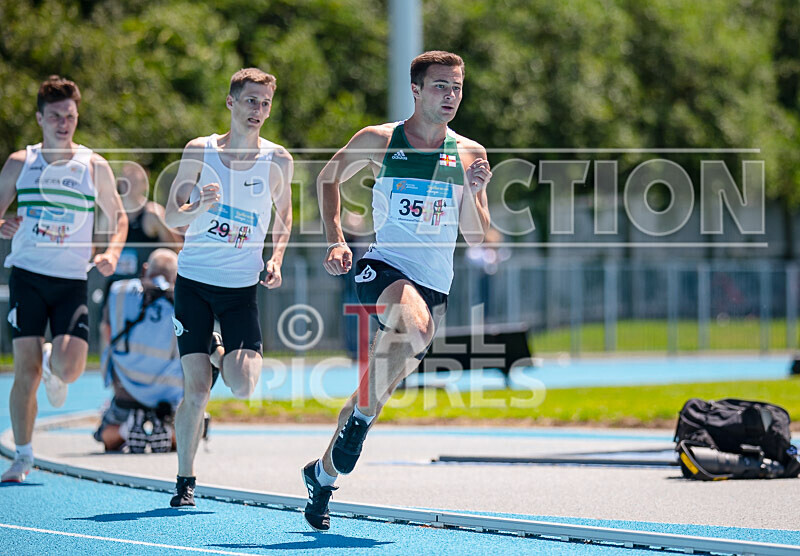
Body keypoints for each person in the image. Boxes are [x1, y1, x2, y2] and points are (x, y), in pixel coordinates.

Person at [302, 51, 491, 531]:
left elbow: (476, 236)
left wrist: (471, 191)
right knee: (413, 323)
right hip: (383, 267)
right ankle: (359, 425)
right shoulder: (380, 140)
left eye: (456, 87)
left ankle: (321, 476)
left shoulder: (469, 153)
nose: (450, 96)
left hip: (435, 285)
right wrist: (336, 238)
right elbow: (327, 178)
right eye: (439, 87)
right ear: (416, 90)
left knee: (376, 389)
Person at [164, 68, 293, 507]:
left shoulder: (277, 159)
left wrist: (275, 259)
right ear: (231, 103)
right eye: (251, 100)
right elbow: (171, 217)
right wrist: (197, 204)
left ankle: (220, 351)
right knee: (196, 390)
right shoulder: (200, 151)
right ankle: (185, 481)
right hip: (195, 282)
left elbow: (285, 216)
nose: (258, 110)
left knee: (242, 385)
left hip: (240, 289)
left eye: (265, 103)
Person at [0, 75, 128, 483]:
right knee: (27, 370)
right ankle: (22, 456)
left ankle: (58, 364)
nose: (63, 123)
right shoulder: (22, 163)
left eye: (69, 116)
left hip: (72, 279)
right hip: (28, 276)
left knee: (70, 369)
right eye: (55, 116)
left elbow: (119, 217)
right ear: (40, 118)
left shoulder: (92, 165)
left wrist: (111, 252)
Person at [95, 248, 187, 453]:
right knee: (190, 435)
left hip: (126, 389)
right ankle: (166, 430)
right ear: (177, 275)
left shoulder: (118, 290)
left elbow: (107, 333)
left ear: (145, 268)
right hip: (168, 394)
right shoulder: (186, 301)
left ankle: (126, 431)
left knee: (106, 437)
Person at [107, 161, 183, 281]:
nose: (129, 185)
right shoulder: (110, 214)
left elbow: (177, 249)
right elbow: (97, 249)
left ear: (145, 185)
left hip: (145, 287)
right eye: (125, 180)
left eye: (134, 181)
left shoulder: (152, 214)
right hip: (114, 284)